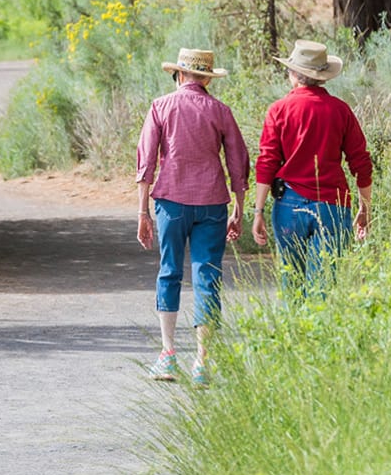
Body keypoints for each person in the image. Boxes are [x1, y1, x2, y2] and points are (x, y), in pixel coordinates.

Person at [136, 48, 249, 386]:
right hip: (213, 203)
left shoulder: (160, 106)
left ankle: (168, 355)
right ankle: (202, 361)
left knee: (169, 271)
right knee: (207, 276)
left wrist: (142, 212)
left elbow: (146, 164)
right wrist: (239, 210)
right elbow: (238, 163)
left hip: (170, 202)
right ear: (206, 78)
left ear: (180, 75)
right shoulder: (221, 111)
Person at [251, 39, 373, 297]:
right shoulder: (341, 111)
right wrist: (365, 207)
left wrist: (258, 211)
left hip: (289, 205)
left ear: (295, 74)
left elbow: (267, 162)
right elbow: (360, 162)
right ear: (321, 77)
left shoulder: (278, 110)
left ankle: (293, 335)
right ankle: (319, 335)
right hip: (333, 205)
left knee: (291, 280)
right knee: (324, 286)